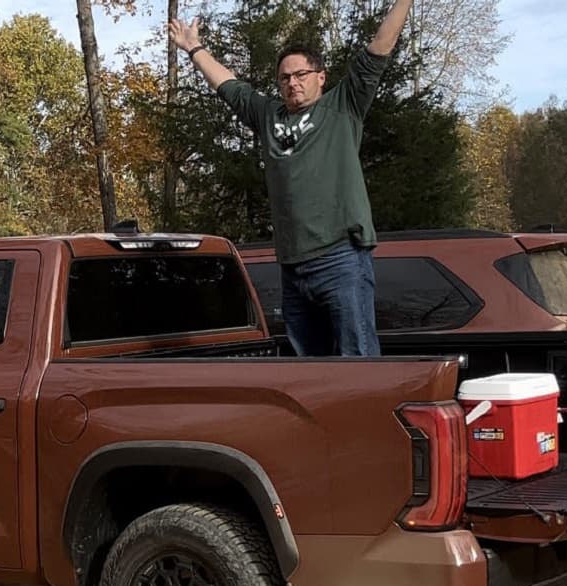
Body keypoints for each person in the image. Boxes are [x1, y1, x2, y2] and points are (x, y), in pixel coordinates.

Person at [168, 1, 414, 357]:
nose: (292, 83)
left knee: (358, 363)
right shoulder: (269, 116)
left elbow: (379, 48)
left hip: (340, 259)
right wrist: (194, 48)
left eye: (300, 75)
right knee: (309, 373)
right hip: (292, 268)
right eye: (285, 77)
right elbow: (230, 86)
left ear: (320, 77)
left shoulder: (343, 105)